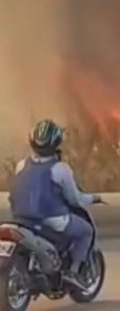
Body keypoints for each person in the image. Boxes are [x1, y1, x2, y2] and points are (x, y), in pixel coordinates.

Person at [8, 119, 102, 289]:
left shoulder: (21, 165)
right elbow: (75, 200)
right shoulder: (60, 169)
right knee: (86, 231)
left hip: (21, 219)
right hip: (51, 219)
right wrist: (93, 198)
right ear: (56, 142)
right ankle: (73, 273)